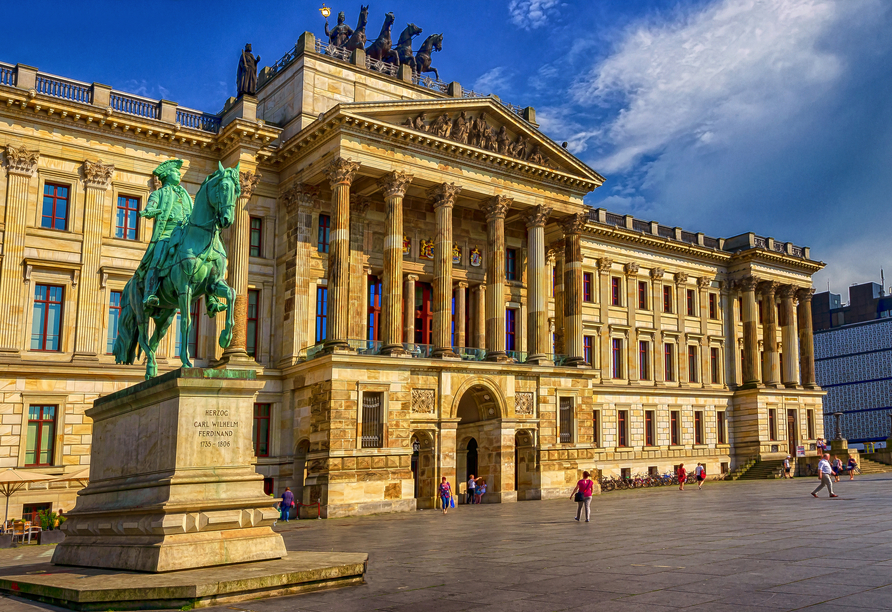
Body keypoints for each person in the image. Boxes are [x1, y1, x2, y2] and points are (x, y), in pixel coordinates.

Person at [138, 159, 193, 307]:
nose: (179, 174)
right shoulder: (159, 193)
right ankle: (149, 293)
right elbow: (151, 206)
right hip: (166, 233)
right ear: (167, 175)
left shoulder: (185, 195)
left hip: (185, 233)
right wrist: (149, 211)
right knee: (158, 257)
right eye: (176, 172)